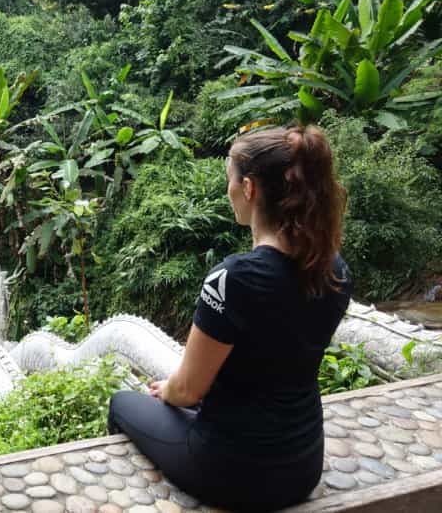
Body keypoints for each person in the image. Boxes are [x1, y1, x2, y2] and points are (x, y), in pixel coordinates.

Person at [106, 125, 352, 512]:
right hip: (304, 464)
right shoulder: (333, 268)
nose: (229, 192)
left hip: (230, 471)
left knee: (122, 403)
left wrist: (167, 390)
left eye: (231, 182)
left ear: (250, 188)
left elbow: (188, 391)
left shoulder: (233, 278)